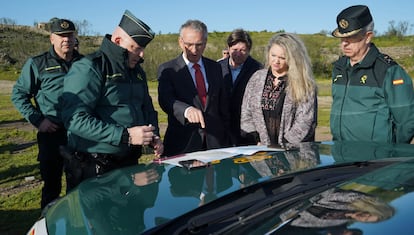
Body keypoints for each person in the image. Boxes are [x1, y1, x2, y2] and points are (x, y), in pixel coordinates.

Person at [60, 10, 163, 190]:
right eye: (136, 48)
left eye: (142, 49)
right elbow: (74, 119)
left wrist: (153, 135)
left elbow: (146, 108)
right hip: (94, 168)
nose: (141, 55)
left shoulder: (137, 73)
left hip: (129, 163)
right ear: (118, 42)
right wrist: (126, 135)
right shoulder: (90, 67)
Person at [11, 18, 83, 209]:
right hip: (52, 136)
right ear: (52, 38)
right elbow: (18, 94)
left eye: (69, 35)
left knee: (79, 187)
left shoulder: (85, 63)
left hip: (81, 135)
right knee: (52, 188)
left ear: (75, 37)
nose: (66, 39)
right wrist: (38, 120)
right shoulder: (38, 64)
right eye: (61, 36)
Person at [330, 5, 414, 144]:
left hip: (374, 159)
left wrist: (388, 152)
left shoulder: (388, 71)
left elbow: (407, 121)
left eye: (351, 37)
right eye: (342, 38)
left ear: (368, 37)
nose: (344, 43)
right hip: (340, 152)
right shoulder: (339, 68)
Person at [157, 19, 231, 156]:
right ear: (180, 42)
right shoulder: (168, 69)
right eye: (189, 44)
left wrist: (227, 137)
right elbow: (166, 100)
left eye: (199, 45)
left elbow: (223, 106)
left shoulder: (215, 68)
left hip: (216, 144)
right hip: (183, 144)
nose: (194, 50)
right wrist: (186, 110)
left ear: (206, 42)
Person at [240, 32, 317, 147]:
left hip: (293, 153)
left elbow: (305, 121)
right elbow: (246, 111)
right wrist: (255, 138)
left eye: (282, 58)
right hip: (260, 151)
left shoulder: (304, 83)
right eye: (273, 55)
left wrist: (285, 145)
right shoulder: (257, 77)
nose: (276, 61)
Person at [219, 29, 263, 146]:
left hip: (247, 132)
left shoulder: (258, 70)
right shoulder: (216, 68)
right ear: (228, 49)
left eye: (243, 50)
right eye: (234, 50)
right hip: (222, 130)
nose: (238, 53)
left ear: (249, 51)